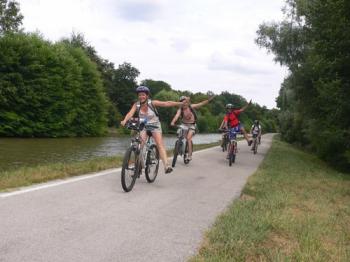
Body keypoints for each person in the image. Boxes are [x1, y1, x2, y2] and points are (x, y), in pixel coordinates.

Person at [120, 86, 183, 174]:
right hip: (144, 125)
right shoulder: (136, 104)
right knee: (140, 145)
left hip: (155, 125)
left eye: (143, 95)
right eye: (139, 95)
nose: (141, 96)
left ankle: (166, 166)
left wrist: (180, 104)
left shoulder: (152, 103)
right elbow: (130, 113)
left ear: (147, 96)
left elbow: (166, 103)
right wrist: (125, 120)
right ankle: (139, 165)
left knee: (159, 144)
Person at [170, 95, 214, 161]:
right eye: (182, 102)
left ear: (187, 102)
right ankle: (179, 147)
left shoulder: (191, 107)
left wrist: (208, 100)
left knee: (188, 138)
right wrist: (173, 122)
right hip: (184, 125)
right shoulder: (180, 110)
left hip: (192, 125)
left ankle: (189, 155)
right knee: (179, 135)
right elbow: (176, 116)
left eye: (185, 102)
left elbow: (201, 104)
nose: (183, 103)